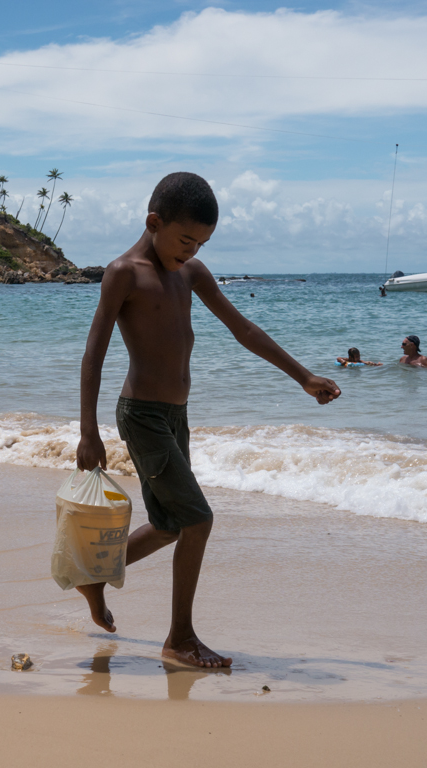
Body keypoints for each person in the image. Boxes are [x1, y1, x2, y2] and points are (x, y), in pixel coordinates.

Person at [76, 172, 341, 669]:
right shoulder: (124, 273)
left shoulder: (191, 273)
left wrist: (302, 376)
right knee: (197, 519)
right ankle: (179, 639)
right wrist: (88, 431)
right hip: (142, 417)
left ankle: (94, 573)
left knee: (169, 524)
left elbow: (242, 328)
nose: (191, 250)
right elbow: (94, 352)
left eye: (201, 242)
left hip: (175, 415)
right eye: (185, 239)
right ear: (154, 222)